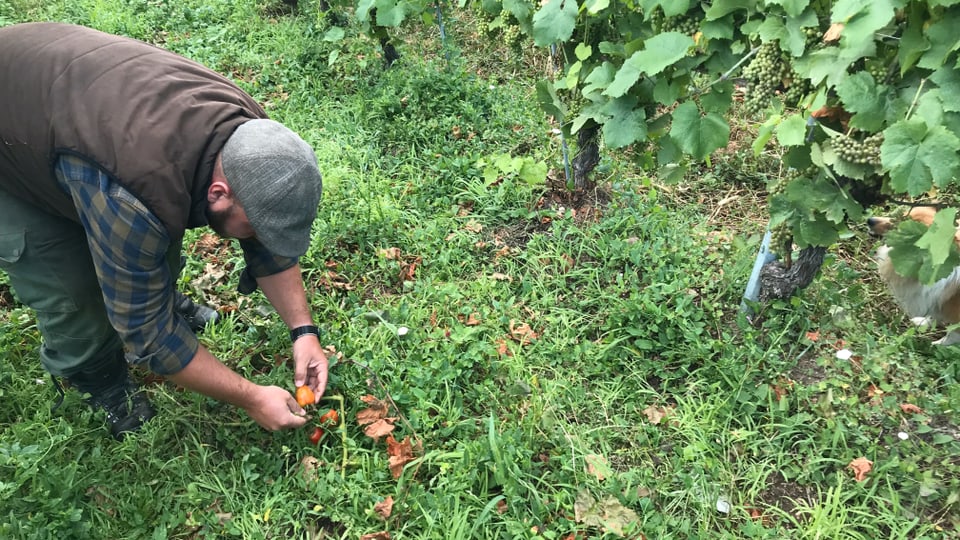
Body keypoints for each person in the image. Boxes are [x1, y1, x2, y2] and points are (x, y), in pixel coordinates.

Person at [0, 22, 329, 439]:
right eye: (256, 228)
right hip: (11, 131)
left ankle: (159, 296)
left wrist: (304, 331)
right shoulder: (134, 194)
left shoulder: (252, 138)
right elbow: (146, 333)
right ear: (218, 191)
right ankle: (97, 377)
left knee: (150, 235)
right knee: (69, 282)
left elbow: (263, 234)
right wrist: (250, 396)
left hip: (65, 99)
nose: (259, 237)